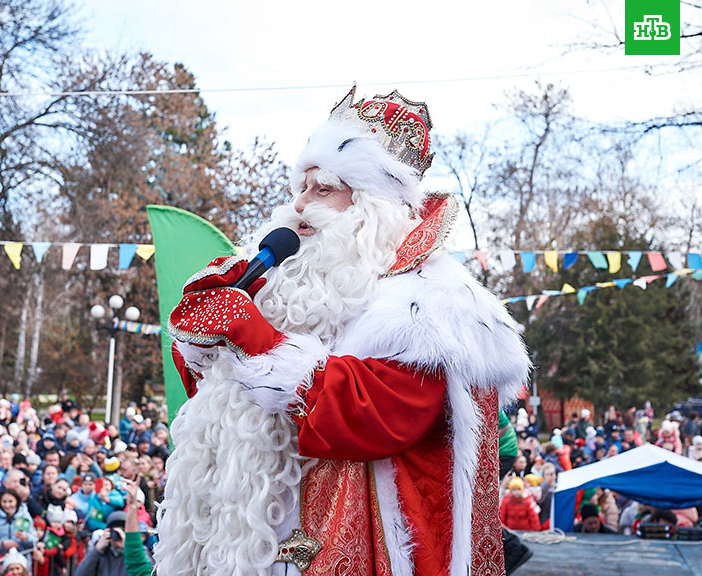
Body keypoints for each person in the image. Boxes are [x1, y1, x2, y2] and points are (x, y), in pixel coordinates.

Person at [156, 86, 531, 575]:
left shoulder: (429, 300)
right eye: (301, 187)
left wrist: (257, 337)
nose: (299, 204)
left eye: (324, 189)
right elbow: (230, 406)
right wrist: (204, 346)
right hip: (254, 546)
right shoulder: (286, 279)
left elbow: (382, 414)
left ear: (370, 205)